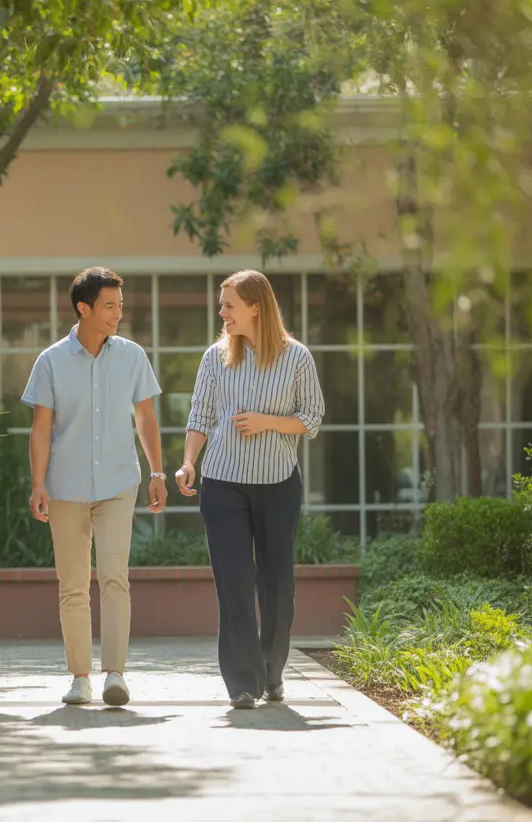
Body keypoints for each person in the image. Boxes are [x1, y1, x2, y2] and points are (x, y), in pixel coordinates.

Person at [175, 269, 324, 709]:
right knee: (234, 582)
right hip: (222, 484)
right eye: (222, 305)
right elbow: (200, 414)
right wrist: (188, 462)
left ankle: (272, 671)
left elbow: (312, 418)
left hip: (278, 484)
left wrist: (267, 423)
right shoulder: (215, 358)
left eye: (229, 305)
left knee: (276, 581)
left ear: (256, 307)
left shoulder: (297, 358)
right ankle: (242, 682)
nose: (221, 312)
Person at [22, 266, 168, 707]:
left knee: (114, 577)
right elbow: (41, 429)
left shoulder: (131, 356)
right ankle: (80, 677)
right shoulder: (50, 361)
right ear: (83, 308)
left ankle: (115, 675)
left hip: (118, 484)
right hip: (65, 487)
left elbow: (145, 417)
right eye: (109, 306)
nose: (117, 314)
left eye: (120, 306)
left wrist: (157, 472)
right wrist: (38, 484)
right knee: (72, 583)